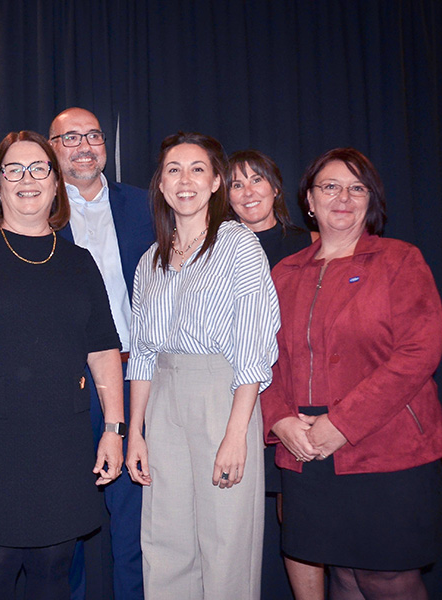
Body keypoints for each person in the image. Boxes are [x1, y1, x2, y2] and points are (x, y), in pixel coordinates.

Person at [0, 130, 126, 599]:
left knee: (53, 574)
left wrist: (114, 430)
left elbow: (103, 352)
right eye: (13, 170)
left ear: (56, 184)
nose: (27, 179)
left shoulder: (80, 263)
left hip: (62, 443)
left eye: (39, 168)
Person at [261, 148, 442, 599]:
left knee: (388, 578)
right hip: (306, 448)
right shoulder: (283, 273)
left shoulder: (400, 260)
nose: (343, 197)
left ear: (372, 200)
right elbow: (262, 355)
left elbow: (418, 352)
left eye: (357, 187)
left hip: (388, 449)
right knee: (342, 574)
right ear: (309, 198)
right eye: (330, 186)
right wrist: (280, 418)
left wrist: (342, 426)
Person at [126, 132, 280, 600]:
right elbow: (143, 354)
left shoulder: (240, 246)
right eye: (174, 169)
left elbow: (254, 345)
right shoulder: (149, 261)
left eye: (198, 169)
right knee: (165, 540)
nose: (185, 179)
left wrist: (236, 434)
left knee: (226, 542)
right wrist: (136, 430)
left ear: (216, 182)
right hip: (163, 401)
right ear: (161, 183)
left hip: (223, 396)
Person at [49, 107, 154, 600]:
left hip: (137, 379)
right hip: (64, 387)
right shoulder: (37, 211)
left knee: (134, 524)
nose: (84, 145)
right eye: (70, 137)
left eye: (93, 135)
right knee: (63, 521)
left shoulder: (147, 207)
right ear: (52, 148)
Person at [226, 149, 323, 599]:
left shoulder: (308, 245)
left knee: (299, 516)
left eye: (257, 181)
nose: (248, 192)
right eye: (237, 184)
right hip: (233, 397)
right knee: (228, 518)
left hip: (293, 395)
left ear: (276, 188)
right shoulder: (215, 249)